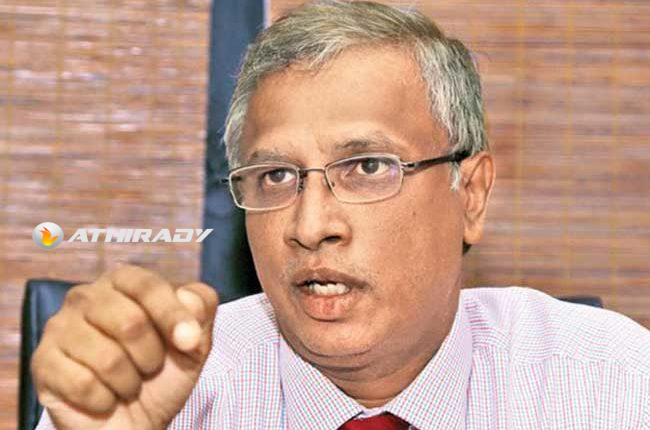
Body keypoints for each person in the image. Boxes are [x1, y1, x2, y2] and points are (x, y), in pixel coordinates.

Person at [33, 1, 650, 429]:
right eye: (276, 176)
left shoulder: (611, 383)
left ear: (471, 193)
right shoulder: (163, 390)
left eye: (368, 166)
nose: (309, 226)